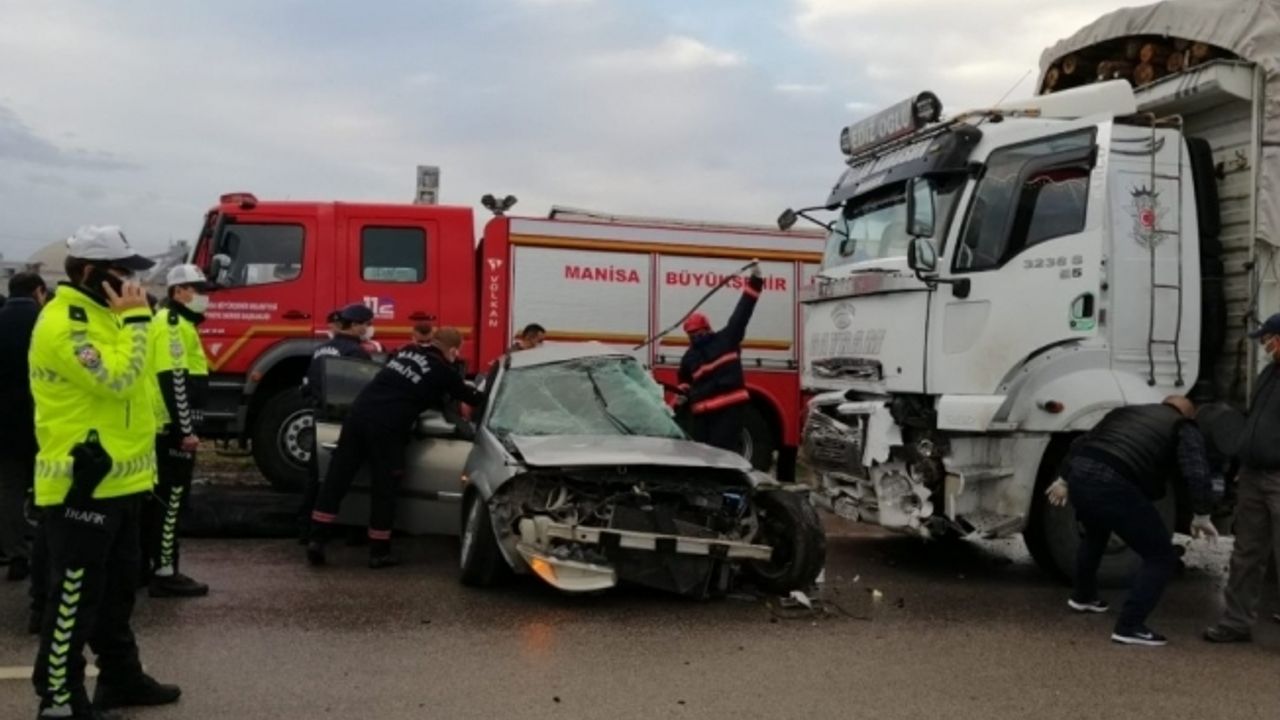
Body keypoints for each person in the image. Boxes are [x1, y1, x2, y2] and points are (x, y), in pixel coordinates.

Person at [29, 226, 180, 719]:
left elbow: (139, 396)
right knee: (74, 598)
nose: (133, 282)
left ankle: (120, 678)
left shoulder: (107, 316)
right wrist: (139, 320)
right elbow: (117, 380)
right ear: (90, 274)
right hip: (82, 485)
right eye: (122, 272)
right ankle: (58, 695)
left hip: (125, 482)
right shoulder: (66, 324)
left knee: (115, 597)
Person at [1046, 396, 1217, 647]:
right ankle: (1130, 626)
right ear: (1189, 415)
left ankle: (1084, 597)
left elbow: (1080, 441)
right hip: (1113, 483)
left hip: (1082, 475)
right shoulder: (1183, 426)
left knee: (1095, 533)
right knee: (1160, 556)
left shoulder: (1125, 412)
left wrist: (1063, 479)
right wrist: (1202, 513)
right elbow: (1196, 470)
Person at [307, 327, 483, 568]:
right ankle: (379, 552)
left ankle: (316, 540)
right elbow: (471, 398)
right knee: (385, 489)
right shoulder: (443, 371)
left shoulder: (406, 352)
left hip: (357, 417)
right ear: (453, 351)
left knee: (336, 481)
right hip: (387, 428)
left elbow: (404, 383)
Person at [1204, 312, 1280, 643]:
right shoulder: (1268, 375)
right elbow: (1254, 421)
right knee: (1246, 552)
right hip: (1252, 475)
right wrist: (1241, 466)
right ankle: (1236, 622)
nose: (1264, 345)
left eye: (1267, 339)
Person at [142, 265, 211, 598]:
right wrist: (186, 429)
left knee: (160, 501)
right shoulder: (172, 325)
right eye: (198, 289)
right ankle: (165, 571)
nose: (204, 297)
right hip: (170, 429)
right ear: (178, 291)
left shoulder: (178, 323)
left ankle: (150, 565)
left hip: (165, 426)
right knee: (171, 501)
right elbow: (175, 382)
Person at [296, 303, 375, 539]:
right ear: (356, 325)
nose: (369, 329)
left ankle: (305, 527)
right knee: (346, 478)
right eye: (367, 324)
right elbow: (365, 390)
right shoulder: (357, 353)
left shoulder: (322, 349)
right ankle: (348, 530)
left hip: (320, 417)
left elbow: (308, 386)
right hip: (345, 421)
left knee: (315, 476)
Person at [675, 263, 764, 453]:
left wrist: (755, 281)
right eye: (692, 334)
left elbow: (743, 310)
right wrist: (682, 397)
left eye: (698, 332)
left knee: (721, 454)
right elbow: (683, 380)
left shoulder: (728, 337)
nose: (696, 337)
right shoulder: (689, 357)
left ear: (707, 328)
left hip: (728, 410)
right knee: (702, 454)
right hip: (703, 414)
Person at [0, 272, 49, 584]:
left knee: (8, 488)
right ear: (38, 291)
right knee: (46, 489)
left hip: (4, 421)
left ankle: (15, 552)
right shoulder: (46, 322)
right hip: (42, 418)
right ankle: (46, 553)